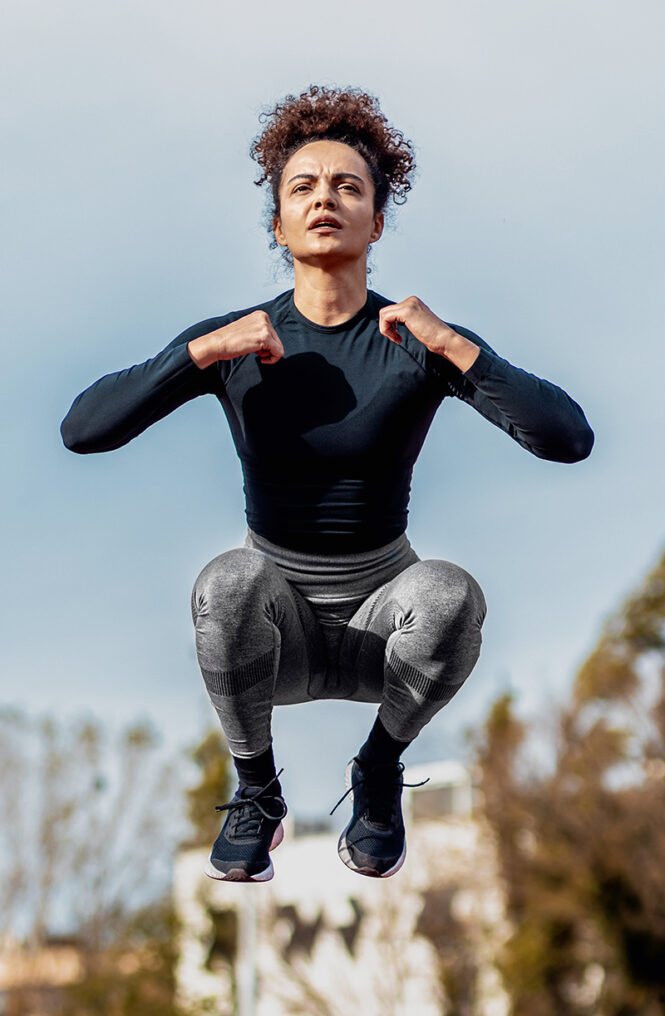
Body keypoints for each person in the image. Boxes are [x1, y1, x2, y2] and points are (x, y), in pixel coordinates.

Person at [61, 85, 594, 883]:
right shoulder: (235, 340)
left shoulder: (416, 339)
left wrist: (451, 345)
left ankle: (378, 772)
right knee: (228, 578)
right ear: (277, 222)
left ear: (376, 221)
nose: (324, 200)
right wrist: (200, 353)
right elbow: (83, 430)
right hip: (271, 631)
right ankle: (256, 790)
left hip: (388, 624)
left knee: (450, 591)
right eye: (302, 186)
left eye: (348, 187)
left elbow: (567, 440)